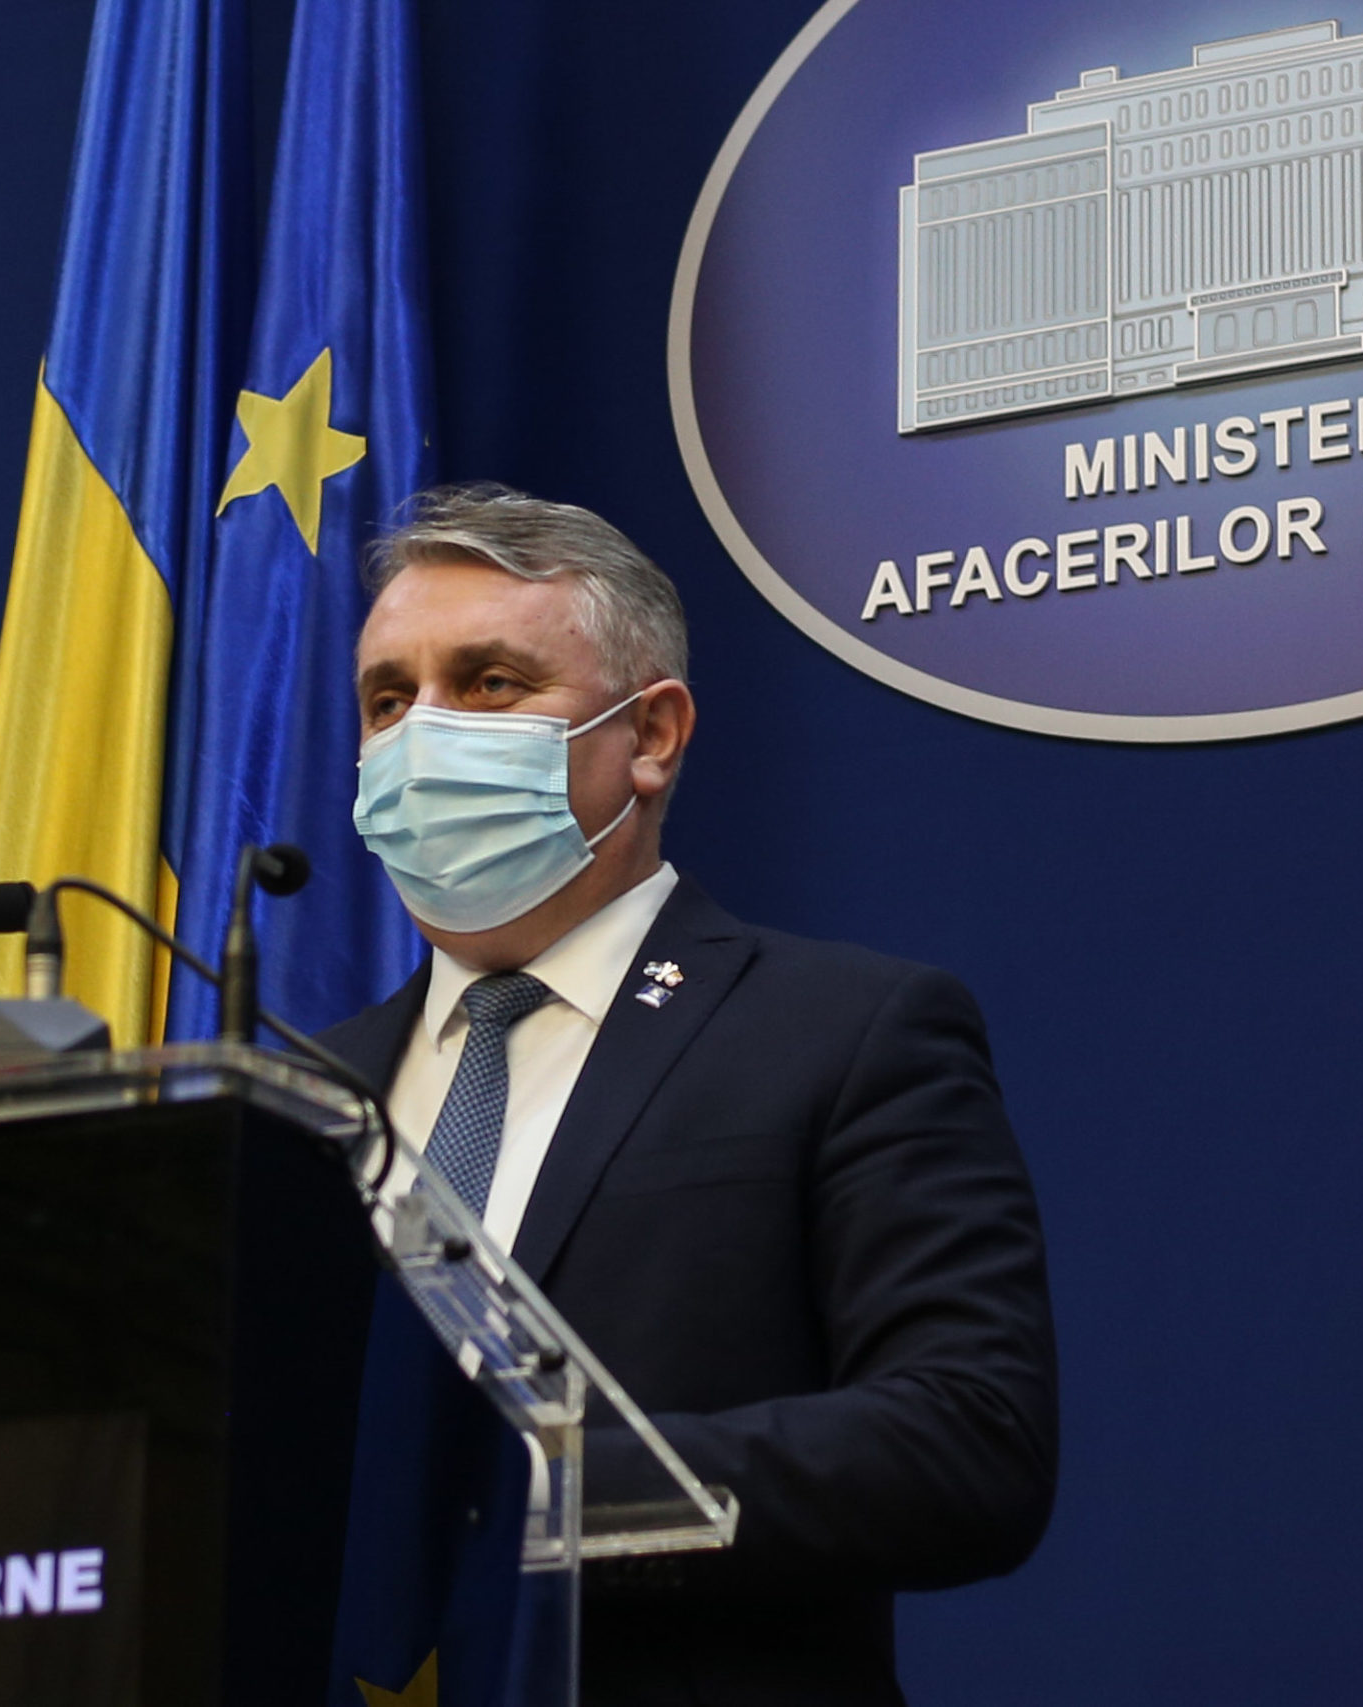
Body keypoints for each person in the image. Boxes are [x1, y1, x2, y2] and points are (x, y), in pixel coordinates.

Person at [321, 486, 1056, 1706]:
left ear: (651, 735)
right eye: (389, 700)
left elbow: (966, 1442)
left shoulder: (841, 1033)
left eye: (489, 683)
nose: (422, 736)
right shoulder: (302, 1096)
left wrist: (521, 1499)